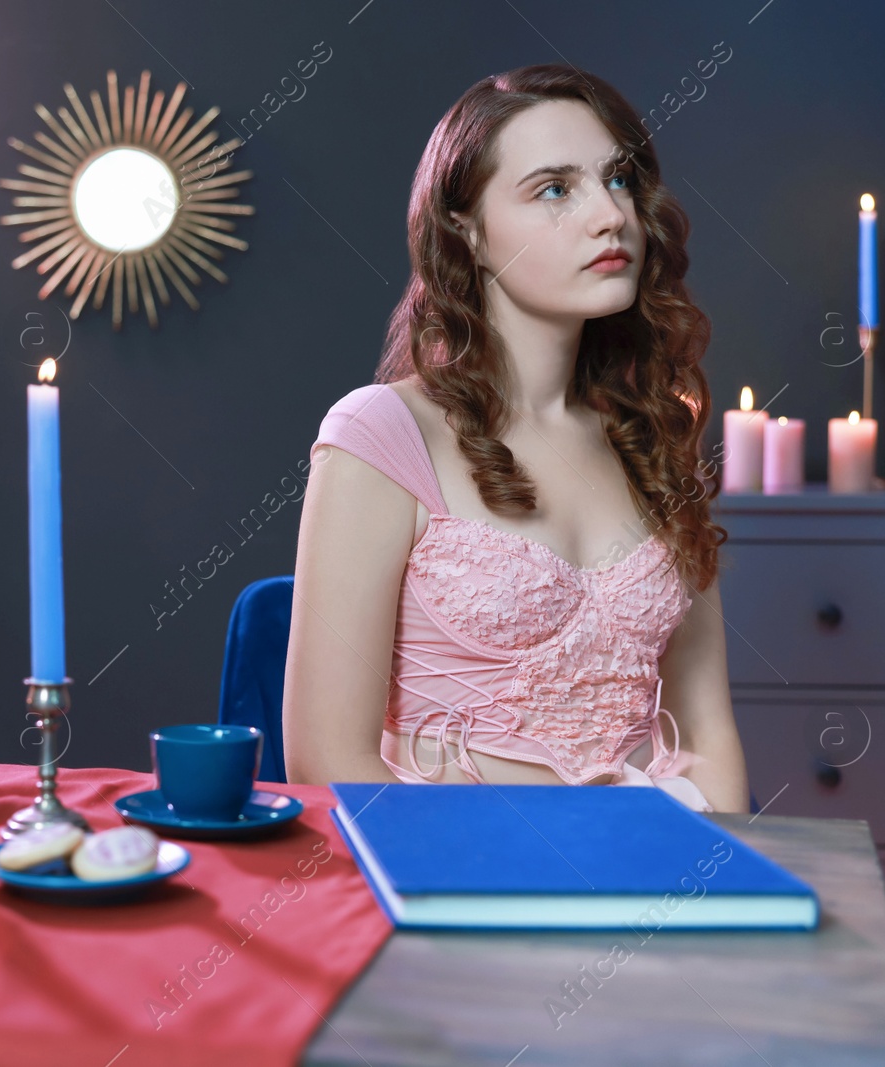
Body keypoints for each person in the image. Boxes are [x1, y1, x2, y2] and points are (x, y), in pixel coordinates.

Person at [282, 64, 750, 813]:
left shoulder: (658, 436)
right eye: (555, 189)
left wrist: (715, 889)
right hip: (450, 883)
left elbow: (707, 737)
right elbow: (325, 758)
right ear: (465, 230)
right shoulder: (381, 435)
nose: (610, 216)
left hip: (652, 875)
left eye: (619, 180)